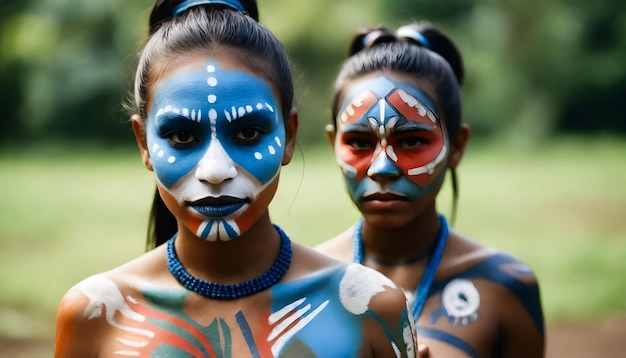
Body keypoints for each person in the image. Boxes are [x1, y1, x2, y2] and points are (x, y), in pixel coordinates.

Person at [53, 1, 420, 356]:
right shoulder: (96, 313)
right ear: (144, 143)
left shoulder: (369, 306)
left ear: (289, 136)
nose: (214, 170)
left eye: (247, 133)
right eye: (182, 137)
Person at [316, 21, 545, 357]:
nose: (382, 167)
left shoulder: (506, 287)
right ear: (332, 142)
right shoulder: (304, 281)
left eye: (411, 140)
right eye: (360, 142)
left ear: (457, 146)